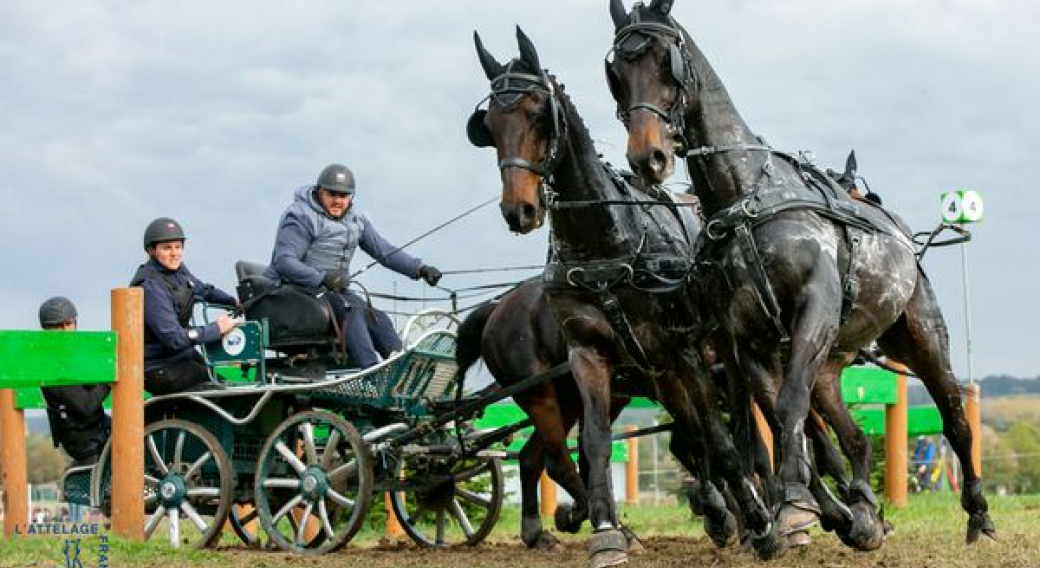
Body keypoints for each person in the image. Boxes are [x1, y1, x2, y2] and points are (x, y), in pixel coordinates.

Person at [263, 163, 443, 368]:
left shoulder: (356, 219)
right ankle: (370, 370)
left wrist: (419, 269)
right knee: (352, 311)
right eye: (332, 194)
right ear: (320, 192)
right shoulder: (300, 216)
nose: (338, 201)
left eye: (343, 195)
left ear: (351, 197)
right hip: (297, 289)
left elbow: (383, 251)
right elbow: (284, 261)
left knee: (376, 316)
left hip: (333, 291)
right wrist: (322, 277)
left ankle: (402, 367)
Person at [131, 217, 240, 395]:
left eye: (178, 247)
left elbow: (203, 289)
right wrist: (216, 328)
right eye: (167, 248)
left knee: (222, 382)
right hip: (158, 367)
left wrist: (234, 301)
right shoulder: (150, 286)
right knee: (221, 391)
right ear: (152, 251)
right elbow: (173, 339)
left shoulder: (179, 273)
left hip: (177, 358)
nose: (175, 253)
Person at [38, 297, 111, 471]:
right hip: (83, 439)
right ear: (46, 330)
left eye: (68, 324)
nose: (65, 330)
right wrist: (110, 378)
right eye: (57, 326)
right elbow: (86, 405)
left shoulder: (73, 357)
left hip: (98, 428)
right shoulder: (52, 366)